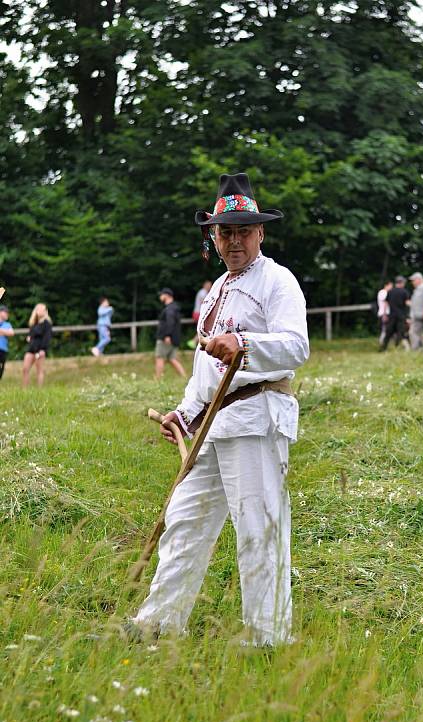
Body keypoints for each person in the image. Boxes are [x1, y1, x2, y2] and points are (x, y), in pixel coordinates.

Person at [129, 172, 309, 646]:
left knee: (258, 531)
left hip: (255, 419)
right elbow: (204, 371)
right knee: (184, 523)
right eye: (224, 232)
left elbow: (295, 346)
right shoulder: (216, 290)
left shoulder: (278, 281)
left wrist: (244, 343)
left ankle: (267, 639)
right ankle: (158, 625)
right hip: (211, 425)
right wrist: (184, 414)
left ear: (260, 233)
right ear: (214, 235)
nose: (233, 241)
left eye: (242, 231)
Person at [155, 288, 186, 379]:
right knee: (172, 359)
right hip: (174, 338)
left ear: (167, 295)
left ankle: (157, 379)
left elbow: (170, 322)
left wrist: (167, 335)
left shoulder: (169, 309)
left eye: (162, 294)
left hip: (166, 338)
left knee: (159, 357)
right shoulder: (174, 308)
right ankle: (184, 377)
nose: (160, 296)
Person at [22, 303, 53, 387]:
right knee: (25, 369)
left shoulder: (47, 324)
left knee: (39, 370)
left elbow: (47, 337)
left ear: (45, 311)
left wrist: (43, 349)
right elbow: (30, 334)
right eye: (38, 309)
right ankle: (24, 389)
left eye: (42, 309)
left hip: (40, 350)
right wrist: (29, 337)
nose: (40, 311)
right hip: (31, 348)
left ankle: (39, 390)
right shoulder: (33, 323)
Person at [380, 276, 409, 351]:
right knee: (401, 332)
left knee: (388, 332)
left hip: (392, 315)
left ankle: (383, 348)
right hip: (401, 316)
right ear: (402, 283)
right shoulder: (404, 292)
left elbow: (386, 304)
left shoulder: (390, 291)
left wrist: (384, 314)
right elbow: (407, 303)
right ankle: (398, 346)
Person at [408, 272, 423, 350]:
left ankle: (415, 349)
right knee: (419, 332)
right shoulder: (417, 290)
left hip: (421, 314)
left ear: (419, 279)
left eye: (413, 280)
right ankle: (422, 349)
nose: (412, 282)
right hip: (415, 315)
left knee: (413, 332)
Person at [187, 280, 213, 349]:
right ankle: (194, 341)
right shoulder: (203, 292)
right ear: (204, 285)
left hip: (197, 313)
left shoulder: (202, 292)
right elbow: (204, 303)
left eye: (210, 285)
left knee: (203, 329)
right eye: (208, 285)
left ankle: (195, 342)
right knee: (203, 328)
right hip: (199, 313)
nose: (209, 287)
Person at [0, 304, 14, 380]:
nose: (7, 314)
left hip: (3, 350)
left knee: (1, 369)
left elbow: (11, 333)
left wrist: (2, 331)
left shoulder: (7, 324)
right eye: (6, 312)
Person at [376, 280, 392, 346]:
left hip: (384, 313)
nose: (391, 287)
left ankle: (385, 343)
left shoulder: (384, 292)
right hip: (384, 313)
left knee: (387, 330)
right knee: (385, 330)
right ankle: (382, 343)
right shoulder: (383, 292)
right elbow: (386, 302)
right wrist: (385, 314)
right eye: (390, 286)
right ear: (386, 285)